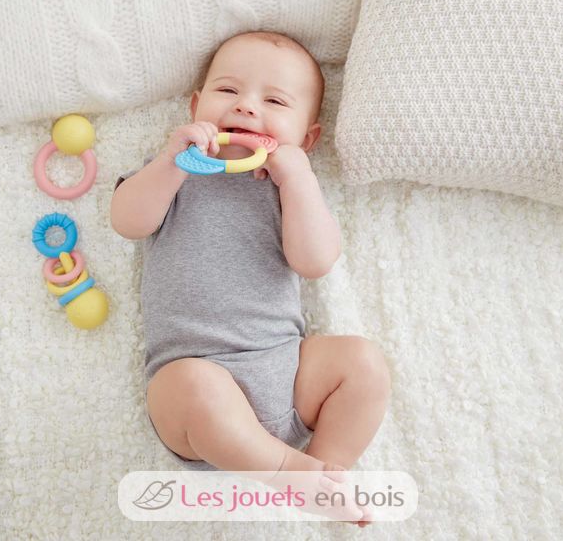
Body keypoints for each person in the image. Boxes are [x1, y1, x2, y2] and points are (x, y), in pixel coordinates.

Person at [110, 31, 391, 526]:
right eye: (227, 91)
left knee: (362, 363)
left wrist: (297, 178)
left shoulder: (289, 191)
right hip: (195, 380)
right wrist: (171, 161)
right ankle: (288, 472)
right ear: (196, 107)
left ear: (306, 139)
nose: (245, 107)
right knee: (193, 386)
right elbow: (127, 221)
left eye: (274, 101)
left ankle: (327, 469)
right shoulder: (174, 174)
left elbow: (316, 261)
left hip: (286, 372)